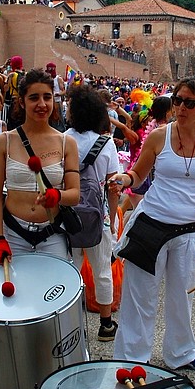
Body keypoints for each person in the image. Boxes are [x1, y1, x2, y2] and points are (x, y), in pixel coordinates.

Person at [108, 76, 195, 371]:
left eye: (189, 102)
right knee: (139, 297)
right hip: (151, 224)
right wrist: (123, 179)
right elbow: (138, 175)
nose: (181, 107)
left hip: (190, 231)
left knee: (182, 298)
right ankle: (132, 358)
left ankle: (181, 353)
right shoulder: (159, 136)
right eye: (177, 100)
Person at [0, 68, 81, 259]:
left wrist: (57, 195)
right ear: (21, 102)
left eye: (47, 97)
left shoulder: (67, 143)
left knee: (55, 288)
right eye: (34, 98)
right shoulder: (3, 141)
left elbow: (75, 195)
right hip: (14, 235)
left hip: (52, 236)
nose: (42, 104)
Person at [64, 84, 121, 341]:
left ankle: (71, 321)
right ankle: (106, 324)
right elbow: (113, 185)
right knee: (102, 270)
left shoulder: (64, 139)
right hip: (100, 215)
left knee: (70, 268)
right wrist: (112, 222)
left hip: (68, 213)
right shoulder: (106, 144)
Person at [46, 62, 66, 130]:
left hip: (56, 102)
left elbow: (64, 91)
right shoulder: (46, 79)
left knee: (58, 120)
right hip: (48, 102)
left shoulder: (58, 79)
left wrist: (58, 94)